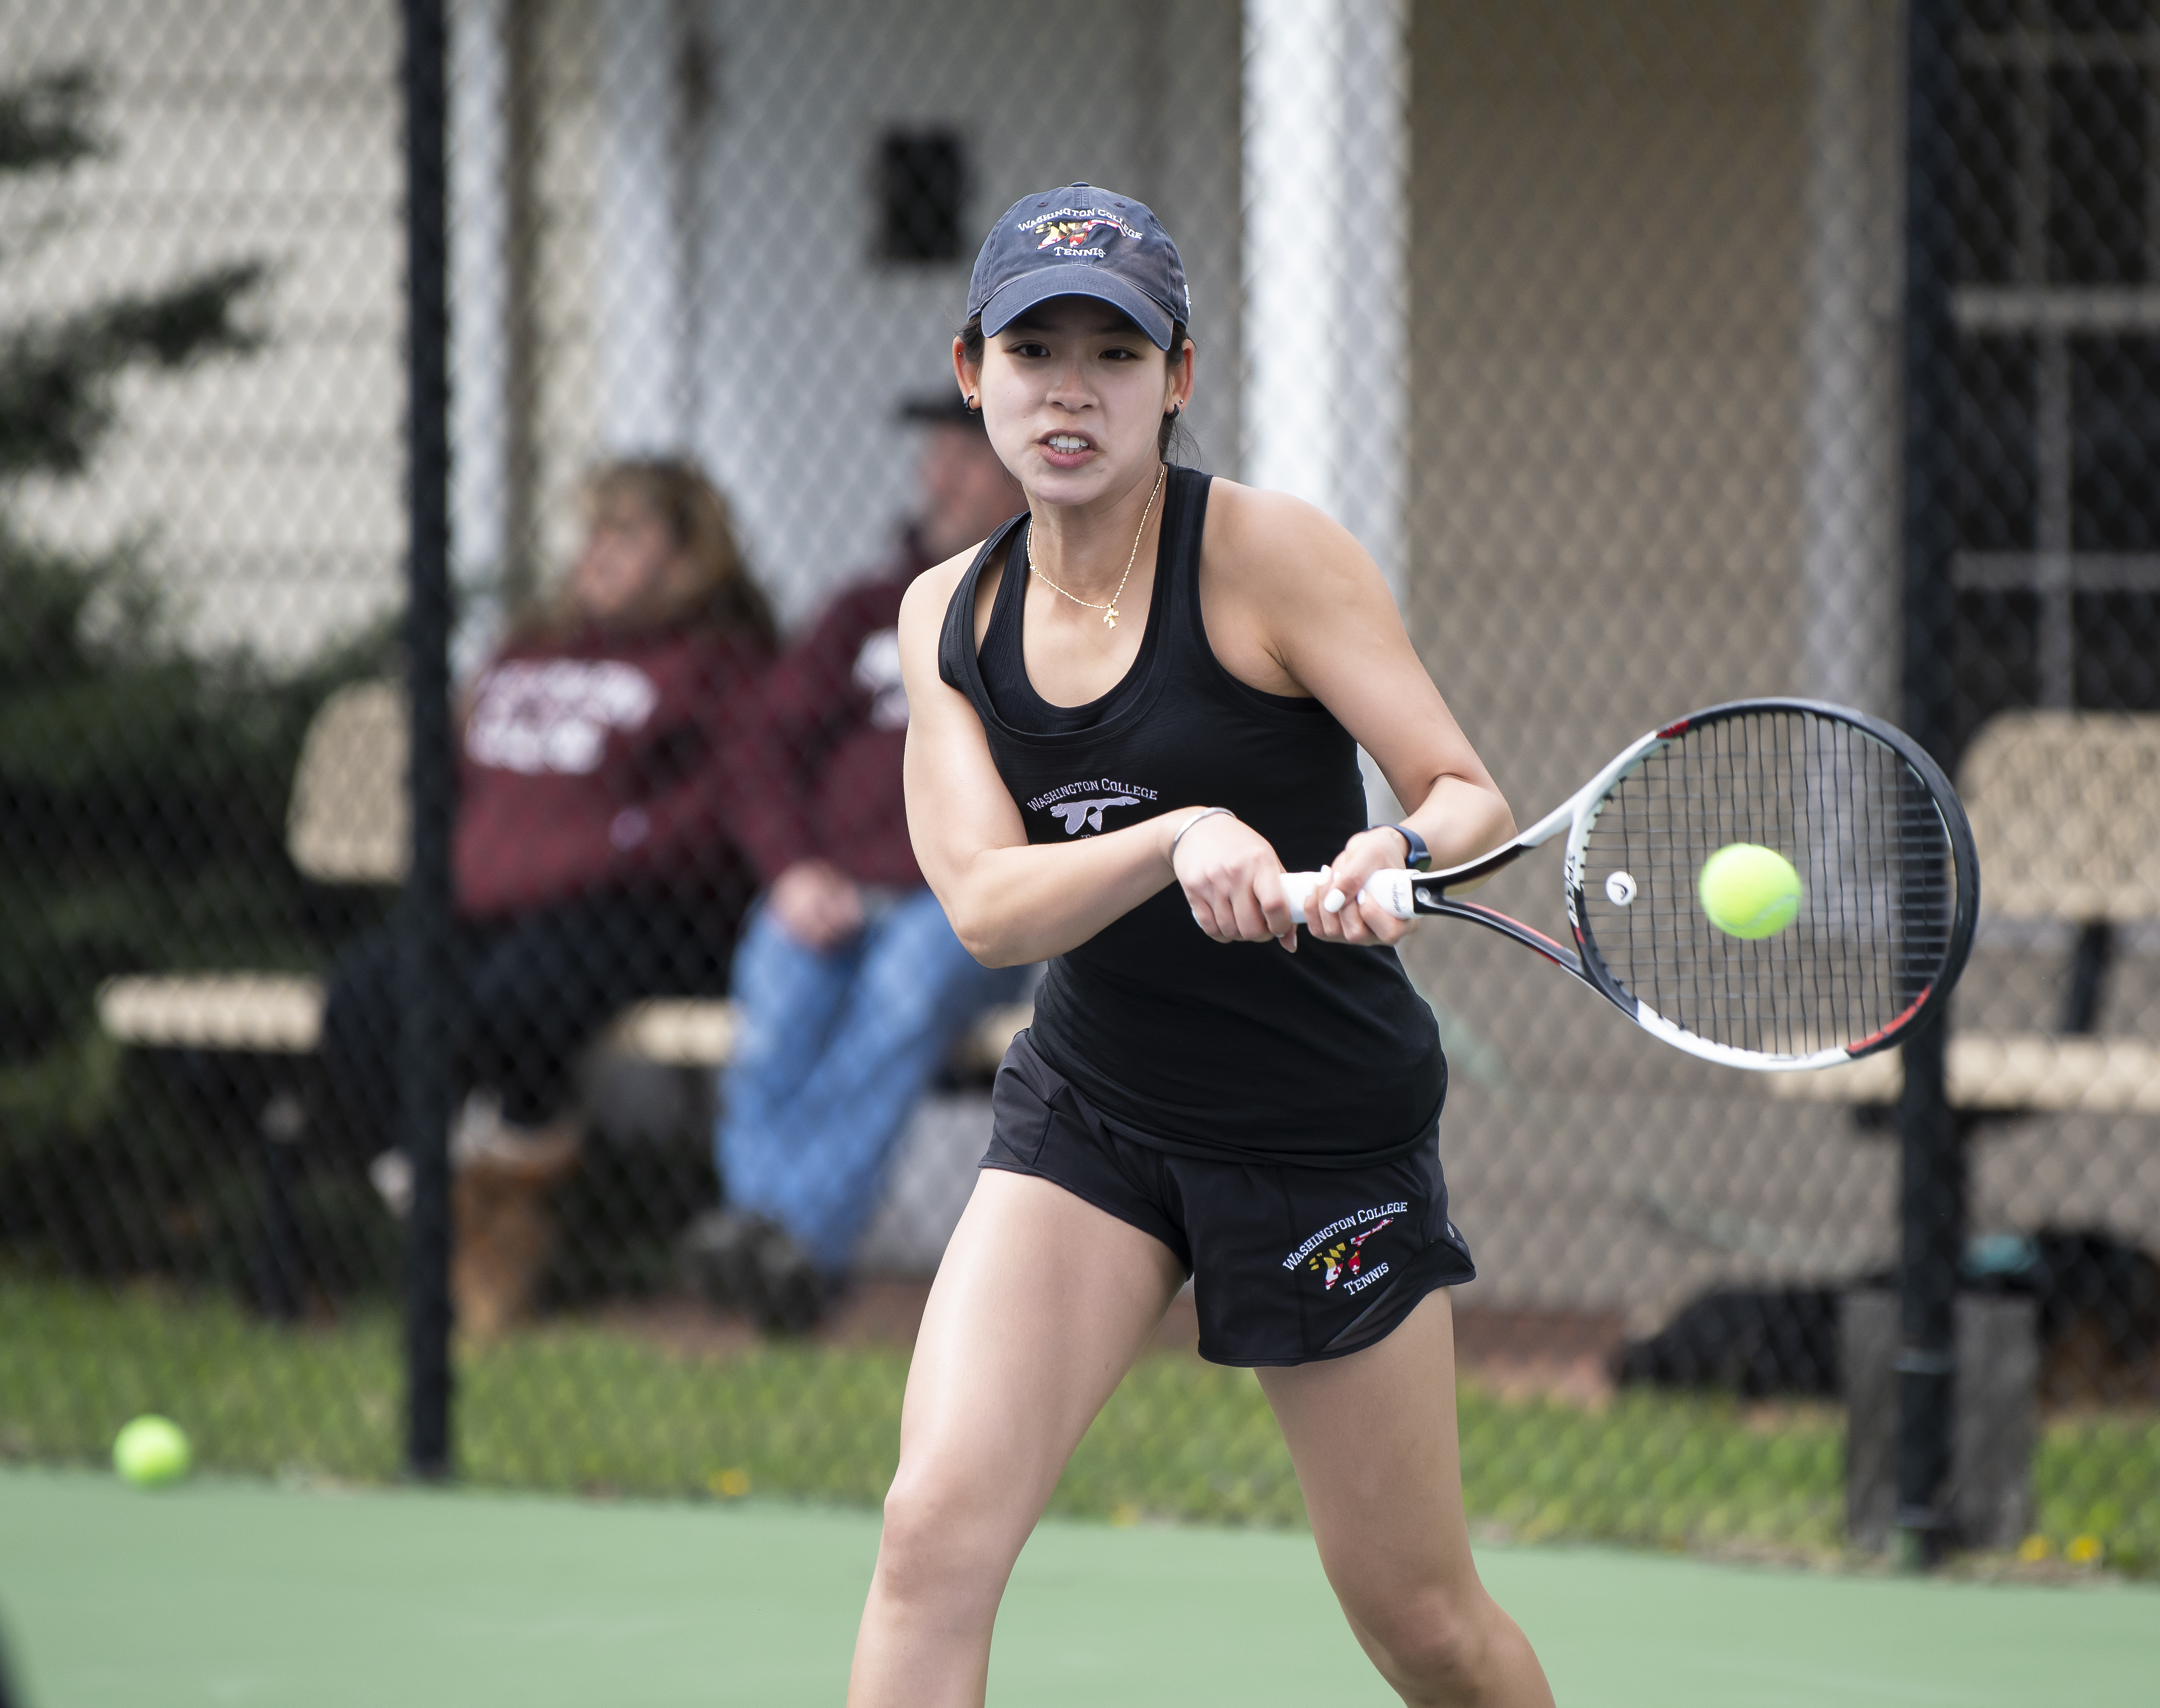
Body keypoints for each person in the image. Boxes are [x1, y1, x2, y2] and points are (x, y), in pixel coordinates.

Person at [849, 184, 1554, 1706]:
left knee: (1419, 1626)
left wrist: (1391, 852)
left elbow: (1463, 791)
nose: (1070, 391)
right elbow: (981, 903)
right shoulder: (947, 620)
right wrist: (1179, 835)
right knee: (928, 1543)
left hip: (1319, 1137)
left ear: (1174, 379)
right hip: (1093, 1116)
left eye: (1114, 354)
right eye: (1035, 350)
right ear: (974, 371)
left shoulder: (1266, 558)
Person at [327, 457, 775, 1338]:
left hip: (644, 911)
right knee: (362, 1001)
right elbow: (452, 782)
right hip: (491, 905)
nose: (597, 554)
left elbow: (721, 809)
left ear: (690, 556)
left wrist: (596, 851)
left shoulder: (718, 665)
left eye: (627, 534)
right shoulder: (527, 650)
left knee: (518, 1002)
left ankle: (508, 1193)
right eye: (592, 533)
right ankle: (451, 1208)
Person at [680, 398, 1028, 1329]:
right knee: (778, 1000)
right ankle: (779, 1245)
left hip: (966, 900)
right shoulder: (869, 612)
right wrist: (792, 868)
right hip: (833, 891)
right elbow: (759, 751)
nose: (936, 479)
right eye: (937, 458)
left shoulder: (1052, 614)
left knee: (902, 997)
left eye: (964, 459)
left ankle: (785, 1242)